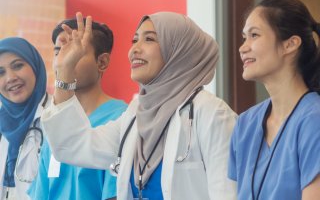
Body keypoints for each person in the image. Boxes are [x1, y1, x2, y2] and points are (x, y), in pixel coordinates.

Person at [41, 11, 237, 200]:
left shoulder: (212, 114)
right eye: (134, 40)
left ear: (179, 49)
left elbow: (228, 194)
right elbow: (73, 146)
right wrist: (65, 70)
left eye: (149, 39)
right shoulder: (136, 116)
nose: (134, 49)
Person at [228, 0, 320, 200]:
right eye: (244, 37)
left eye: (254, 35)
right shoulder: (245, 124)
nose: (243, 47)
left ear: (290, 44)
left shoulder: (314, 120)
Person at [28, 18, 127, 200]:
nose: (63, 61)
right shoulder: (54, 122)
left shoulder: (122, 119)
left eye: (75, 52)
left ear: (102, 62)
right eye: (59, 52)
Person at [0, 37, 49, 200]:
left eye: (18, 65)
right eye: (1, 72)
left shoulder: (56, 119)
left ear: (35, 66)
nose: (10, 78)